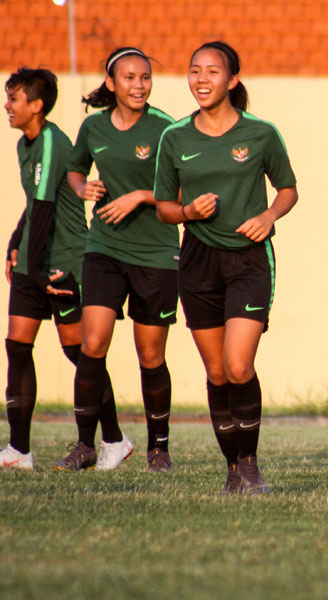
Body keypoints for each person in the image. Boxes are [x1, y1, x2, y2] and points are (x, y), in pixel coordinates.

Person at [154, 41, 298, 494]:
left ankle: (251, 465)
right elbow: (163, 207)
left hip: (249, 259)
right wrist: (187, 213)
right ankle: (232, 472)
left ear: (232, 80)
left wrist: (268, 217)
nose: (201, 79)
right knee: (216, 374)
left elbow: (289, 189)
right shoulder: (174, 137)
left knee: (239, 366)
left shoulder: (260, 133)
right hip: (197, 260)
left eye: (212, 71)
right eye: (194, 70)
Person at [55, 47, 178, 472]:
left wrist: (141, 196)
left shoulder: (167, 129)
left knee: (150, 355)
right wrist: (82, 187)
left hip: (157, 252)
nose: (139, 85)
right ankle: (85, 446)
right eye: (129, 78)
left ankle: (157, 449)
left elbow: (182, 194)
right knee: (92, 343)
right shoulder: (93, 127)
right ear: (111, 83)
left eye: (145, 77)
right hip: (103, 249)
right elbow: (74, 169)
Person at [0, 68, 90, 470]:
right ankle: (19, 450)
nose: (7, 105)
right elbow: (33, 204)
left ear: (37, 105)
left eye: (14, 98)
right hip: (34, 263)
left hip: (64, 262)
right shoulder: (25, 143)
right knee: (18, 345)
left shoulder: (53, 142)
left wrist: (36, 271)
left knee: (79, 353)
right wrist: (14, 244)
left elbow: (49, 208)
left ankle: (113, 439)